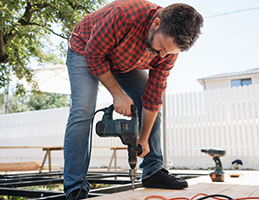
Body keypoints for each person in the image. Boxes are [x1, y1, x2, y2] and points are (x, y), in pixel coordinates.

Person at [63, 0, 203, 199]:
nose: (162, 55)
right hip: (86, 48)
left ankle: (153, 171)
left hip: (124, 60)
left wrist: (143, 138)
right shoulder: (124, 15)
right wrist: (118, 94)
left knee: (153, 107)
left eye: (169, 52)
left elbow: (153, 96)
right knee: (83, 110)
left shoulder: (168, 51)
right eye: (161, 46)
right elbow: (93, 55)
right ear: (156, 24)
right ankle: (75, 187)